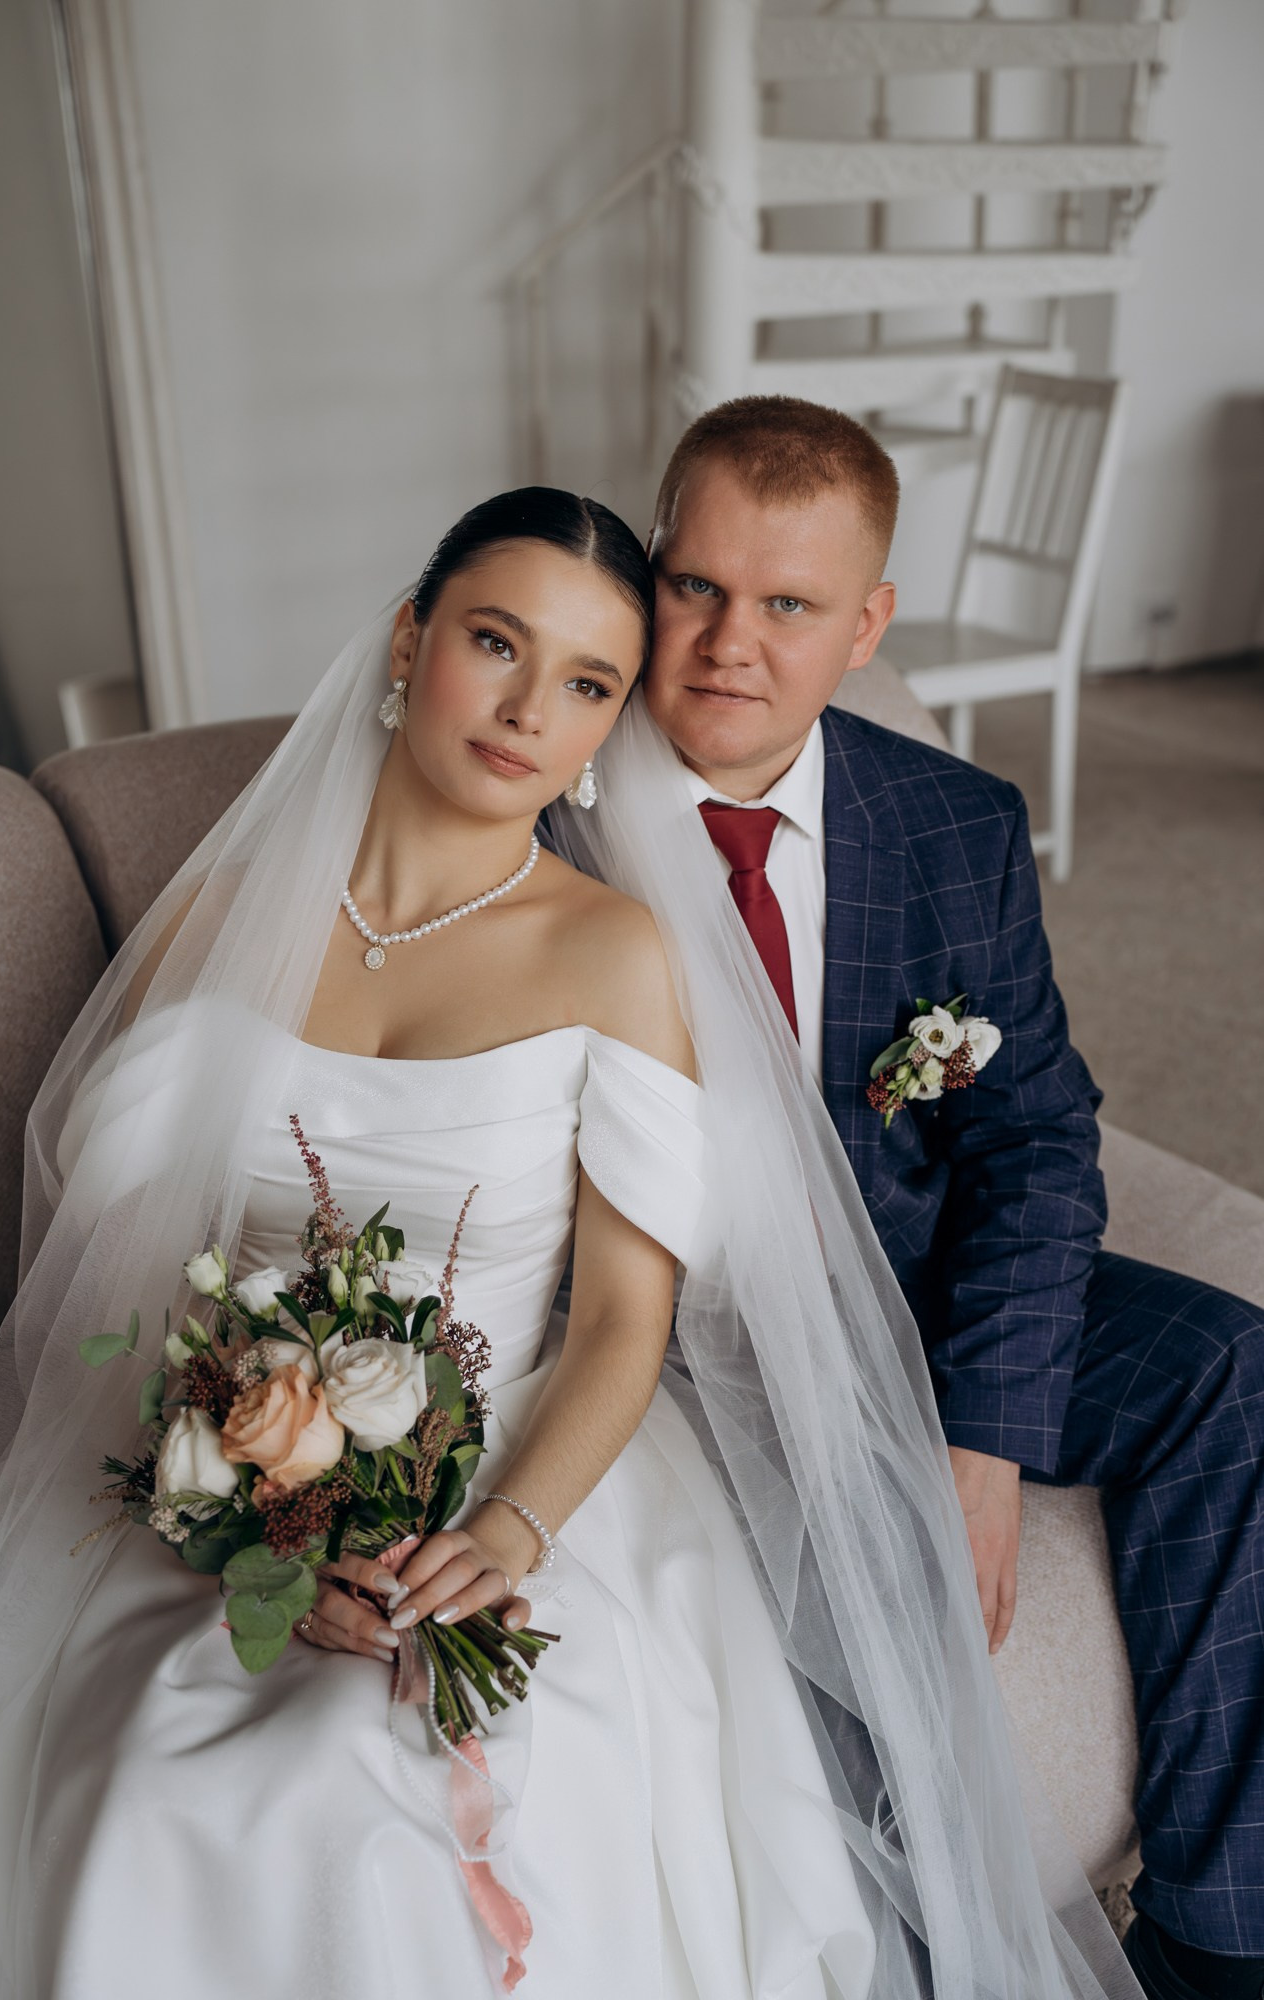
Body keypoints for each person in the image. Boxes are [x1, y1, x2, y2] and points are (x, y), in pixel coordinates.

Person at [0, 487, 1137, 2000]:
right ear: (408, 640)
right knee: (179, 1785)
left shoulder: (613, 952)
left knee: (367, 1793)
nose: (526, 712)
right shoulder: (209, 929)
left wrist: (506, 1534)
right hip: (221, 1463)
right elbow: (126, 1284)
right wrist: (253, 1524)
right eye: (496, 644)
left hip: (516, 1469)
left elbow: (627, 1318)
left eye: (587, 683)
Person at [630, 395, 1264, 2000]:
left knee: (1232, 1369)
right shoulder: (550, 814)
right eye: (696, 585)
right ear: (647, 573)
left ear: (865, 629)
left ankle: (1213, 1942)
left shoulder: (950, 823)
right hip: (676, 1343)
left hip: (907, 1284)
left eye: (787, 603)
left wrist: (985, 1439)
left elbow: (1035, 1142)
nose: (728, 643)